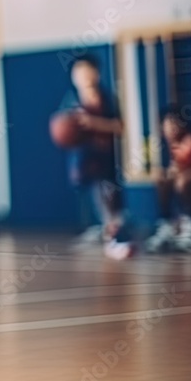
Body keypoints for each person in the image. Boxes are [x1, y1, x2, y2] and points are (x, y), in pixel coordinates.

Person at [60, 56, 127, 253]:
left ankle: (114, 225)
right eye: (78, 72)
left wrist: (94, 123)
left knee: (107, 188)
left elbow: (120, 125)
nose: (83, 76)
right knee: (88, 184)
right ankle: (102, 226)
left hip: (109, 154)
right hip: (85, 155)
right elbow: (62, 128)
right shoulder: (70, 100)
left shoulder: (109, 99)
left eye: (86, 70)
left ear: (96, 73)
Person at [145, 107, 191, 253]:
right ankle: (166, 226)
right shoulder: (162, 145)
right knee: (161, 180)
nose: (171, 128)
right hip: (178, 179)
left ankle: (190, 228)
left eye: (174, 123)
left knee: (184, 181)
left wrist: (185, 174)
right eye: (167, 124)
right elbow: (168, 169)